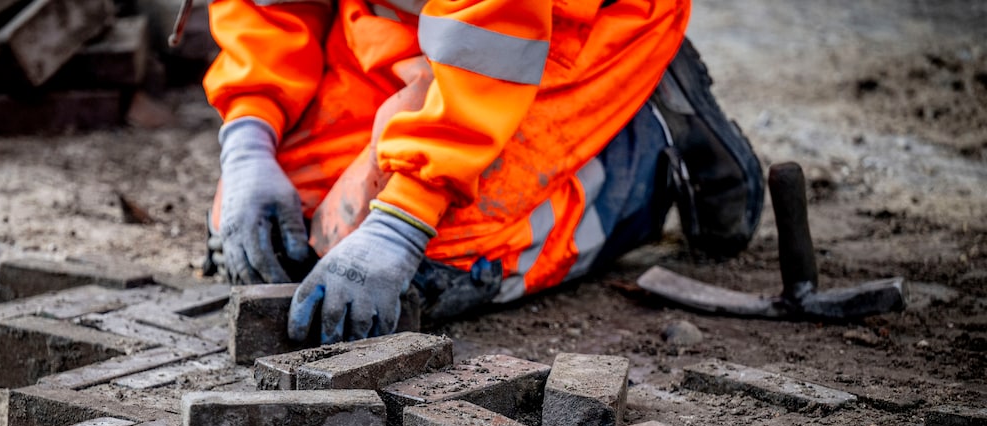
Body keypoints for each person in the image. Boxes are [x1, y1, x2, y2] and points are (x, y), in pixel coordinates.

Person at [202, 0, 762, 344]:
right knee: (279, 233)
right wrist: (250, 137)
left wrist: (403, 221)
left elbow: (491, 38)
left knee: (437, 260)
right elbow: (266, 6)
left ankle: (641, 144)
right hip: (398, 24)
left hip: (536, 31)